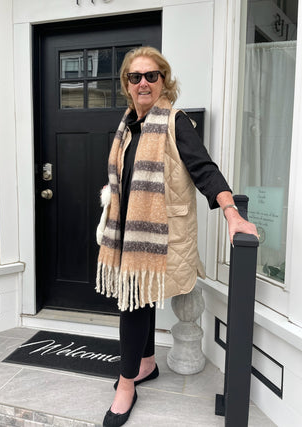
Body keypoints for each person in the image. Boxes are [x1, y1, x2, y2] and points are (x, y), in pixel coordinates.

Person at [96, 46, 258, 427]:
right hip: (129, 232)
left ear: (164, 80)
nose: (143, 83)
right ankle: (147, 364)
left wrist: (232, 213)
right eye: (135, 77)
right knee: (142, 295)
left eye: (152, 75)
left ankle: (126, 385)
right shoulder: (127, 127)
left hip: (160, 232)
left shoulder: (175, 122)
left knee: (133, 301)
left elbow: (204, 169)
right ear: (127, 85)